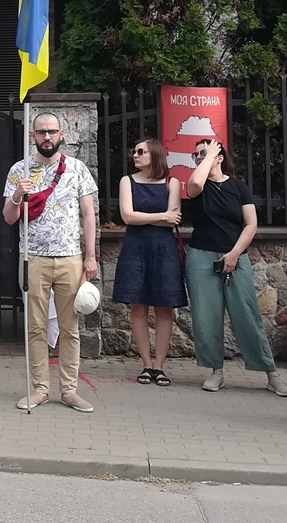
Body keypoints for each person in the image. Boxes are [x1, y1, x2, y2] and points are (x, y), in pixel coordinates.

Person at [183, 137, 287, 398]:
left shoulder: (238, 187)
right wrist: (207, 156)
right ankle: (216, 371)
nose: (199, 158)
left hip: (235, 256)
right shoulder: (197, 185)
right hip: (201, 256)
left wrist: (234, 254)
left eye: (205, 153)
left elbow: (251, 224)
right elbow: (195, 184)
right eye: (197, 155)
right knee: (206, 316)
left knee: (247, 313)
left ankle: (271, 374)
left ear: (220, 157)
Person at [4, 112, 98, 412]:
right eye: (41, 132)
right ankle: (40, 389)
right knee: (35, 327)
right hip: (33, 257)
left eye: (52, 132)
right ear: (32, 135)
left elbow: (88, 214)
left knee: (70, 328)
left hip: (70, 257)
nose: (47, 137)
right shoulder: (20, 169)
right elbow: (8, 218)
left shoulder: (76, 169)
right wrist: (18, 194)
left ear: (61, 135)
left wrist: (91, 256)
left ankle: (69, 390)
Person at [114, 138, 185, 386]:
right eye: (134, 151)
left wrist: (150, 217)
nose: (135, 155)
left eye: (141, 152)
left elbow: (172, 220)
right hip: (136, 248)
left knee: (165, 308)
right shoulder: (127, 181)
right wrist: (161, 215)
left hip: (164, 250)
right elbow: (127, 216)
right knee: (138, 307)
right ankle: (145, 364)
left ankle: (160, 366)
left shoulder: (171, 183)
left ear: (154, 155)